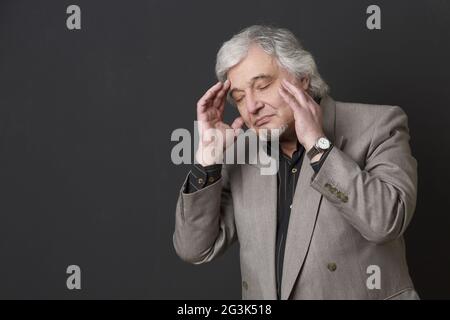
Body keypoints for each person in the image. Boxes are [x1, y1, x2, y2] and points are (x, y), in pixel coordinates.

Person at [173, 25, 419, 300]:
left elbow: (386, 222)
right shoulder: (241, 151)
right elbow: (195, 249)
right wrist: (208, 161)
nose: (252, 105)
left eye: (262, 86)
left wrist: (318, 146)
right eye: (240, 97)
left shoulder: (378, 125)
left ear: (302, 78)